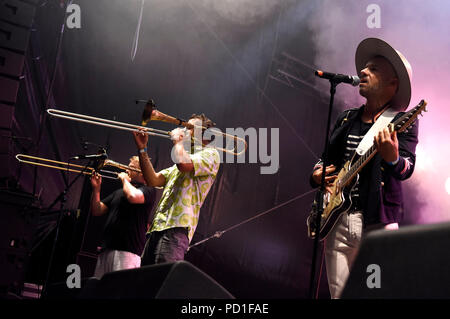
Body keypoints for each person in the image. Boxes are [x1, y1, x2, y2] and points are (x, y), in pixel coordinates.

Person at [309, 38, 419, 299]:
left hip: (377, 221)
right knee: (339, 294)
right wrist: (317, 173)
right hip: (336, 218)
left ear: (393, 84)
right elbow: (326, 158)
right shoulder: (346, 118)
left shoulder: (403, 121)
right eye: (365, 68)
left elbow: (406, 168)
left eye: (374, 70)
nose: (363, 73)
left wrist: (392, 158)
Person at [133, 113, 220, 265]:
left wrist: (178, 143)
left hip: (177, 227)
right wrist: (142, 149)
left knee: (162, 279)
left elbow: (184, 165)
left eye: (190, 127)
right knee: (144, 281)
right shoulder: (180, 161)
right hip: (157, 227)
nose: (185, 129)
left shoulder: (211, 154)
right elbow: (152, 180)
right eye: (186, 126)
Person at [90, 156, 155, 278]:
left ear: (142, 172)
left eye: (131, 168)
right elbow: (97, 210)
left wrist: (125, 180)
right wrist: (96, 190)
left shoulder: (149, 190)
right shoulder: (119, 192)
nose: (126, 170)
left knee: (118, 292)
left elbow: (132, 196)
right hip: (107, 249)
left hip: (127, 251)